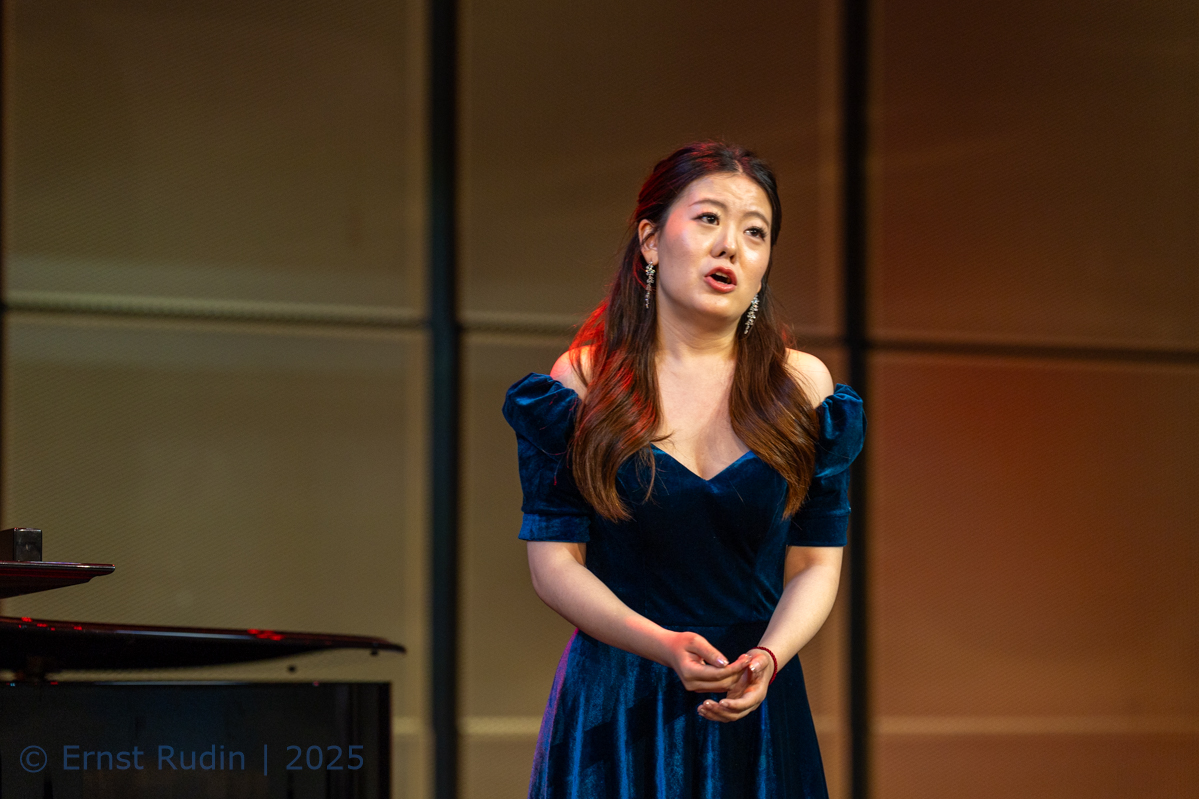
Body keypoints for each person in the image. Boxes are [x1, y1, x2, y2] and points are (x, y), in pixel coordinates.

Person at [502, 141, 865, 798]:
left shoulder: (802, 386)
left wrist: (771, 654)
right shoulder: (584, 381)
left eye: (755, 232)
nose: (730, 246)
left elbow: (816, 564)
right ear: (649, 240)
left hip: (753, 694)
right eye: (708, 219)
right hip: (618, 695)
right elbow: (553, 564)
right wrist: (663, 644)